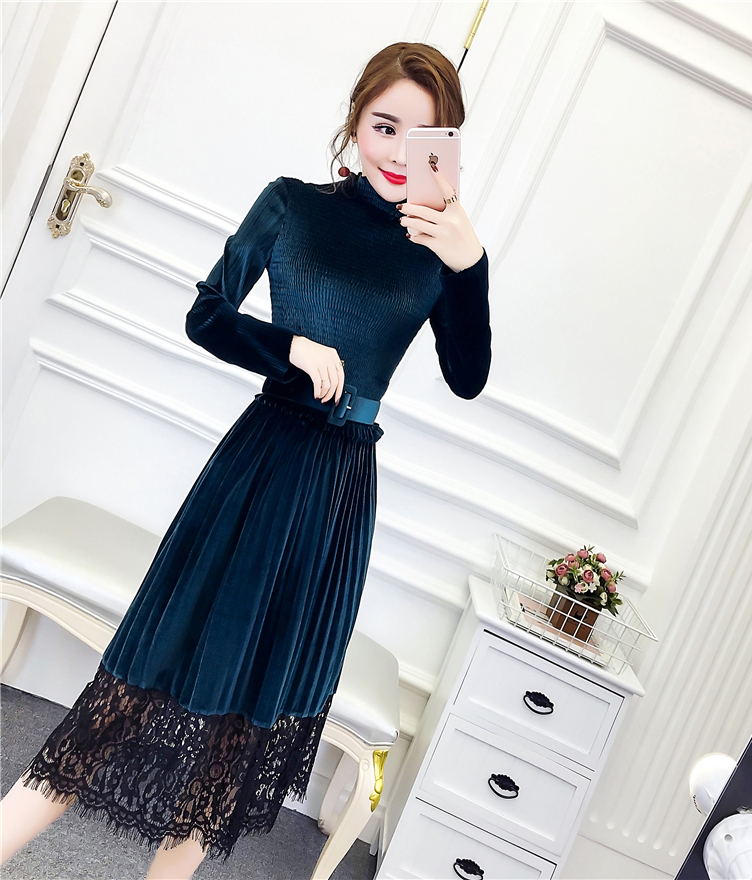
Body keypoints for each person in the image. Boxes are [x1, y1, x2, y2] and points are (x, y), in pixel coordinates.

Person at [0, 41, 490, 879]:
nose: (398, 152)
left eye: (422, 137)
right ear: (355, 122)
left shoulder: (440, 251)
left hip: (337, 497)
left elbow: (468, 377)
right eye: (384, 127)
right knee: (140, 675)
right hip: (258, 471)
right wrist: (289, 347)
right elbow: (206, 314)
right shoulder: (292, 204)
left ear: (445, 147)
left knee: (241, 729)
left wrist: (470, 264)